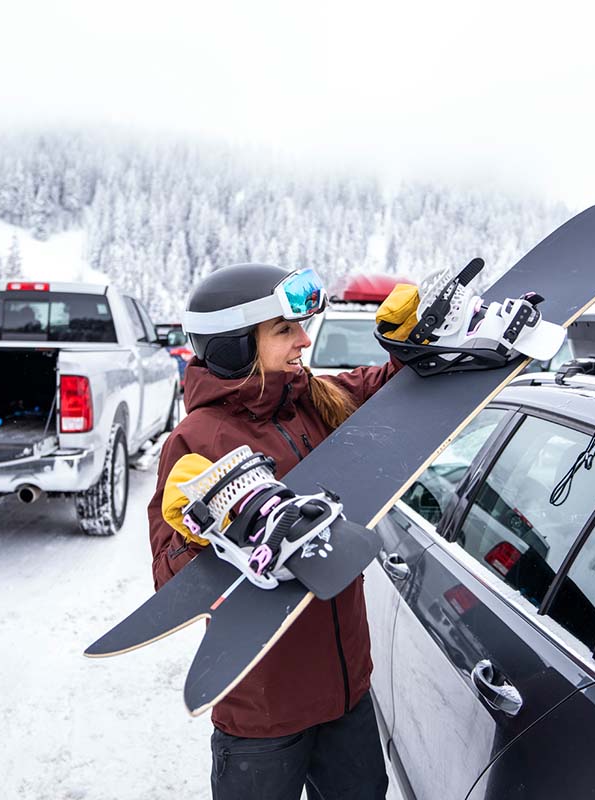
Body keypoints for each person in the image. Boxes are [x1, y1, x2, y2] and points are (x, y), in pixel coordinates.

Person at [149, 262, 413, 800]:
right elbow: (168, 577)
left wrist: (412, 349)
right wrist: (213, 526)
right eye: (285, 330)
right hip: (263, 716)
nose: (304, 340)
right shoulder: (197, 439)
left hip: (347, 692)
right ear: (234, 347)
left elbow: (380, 388)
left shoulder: (309, 399)